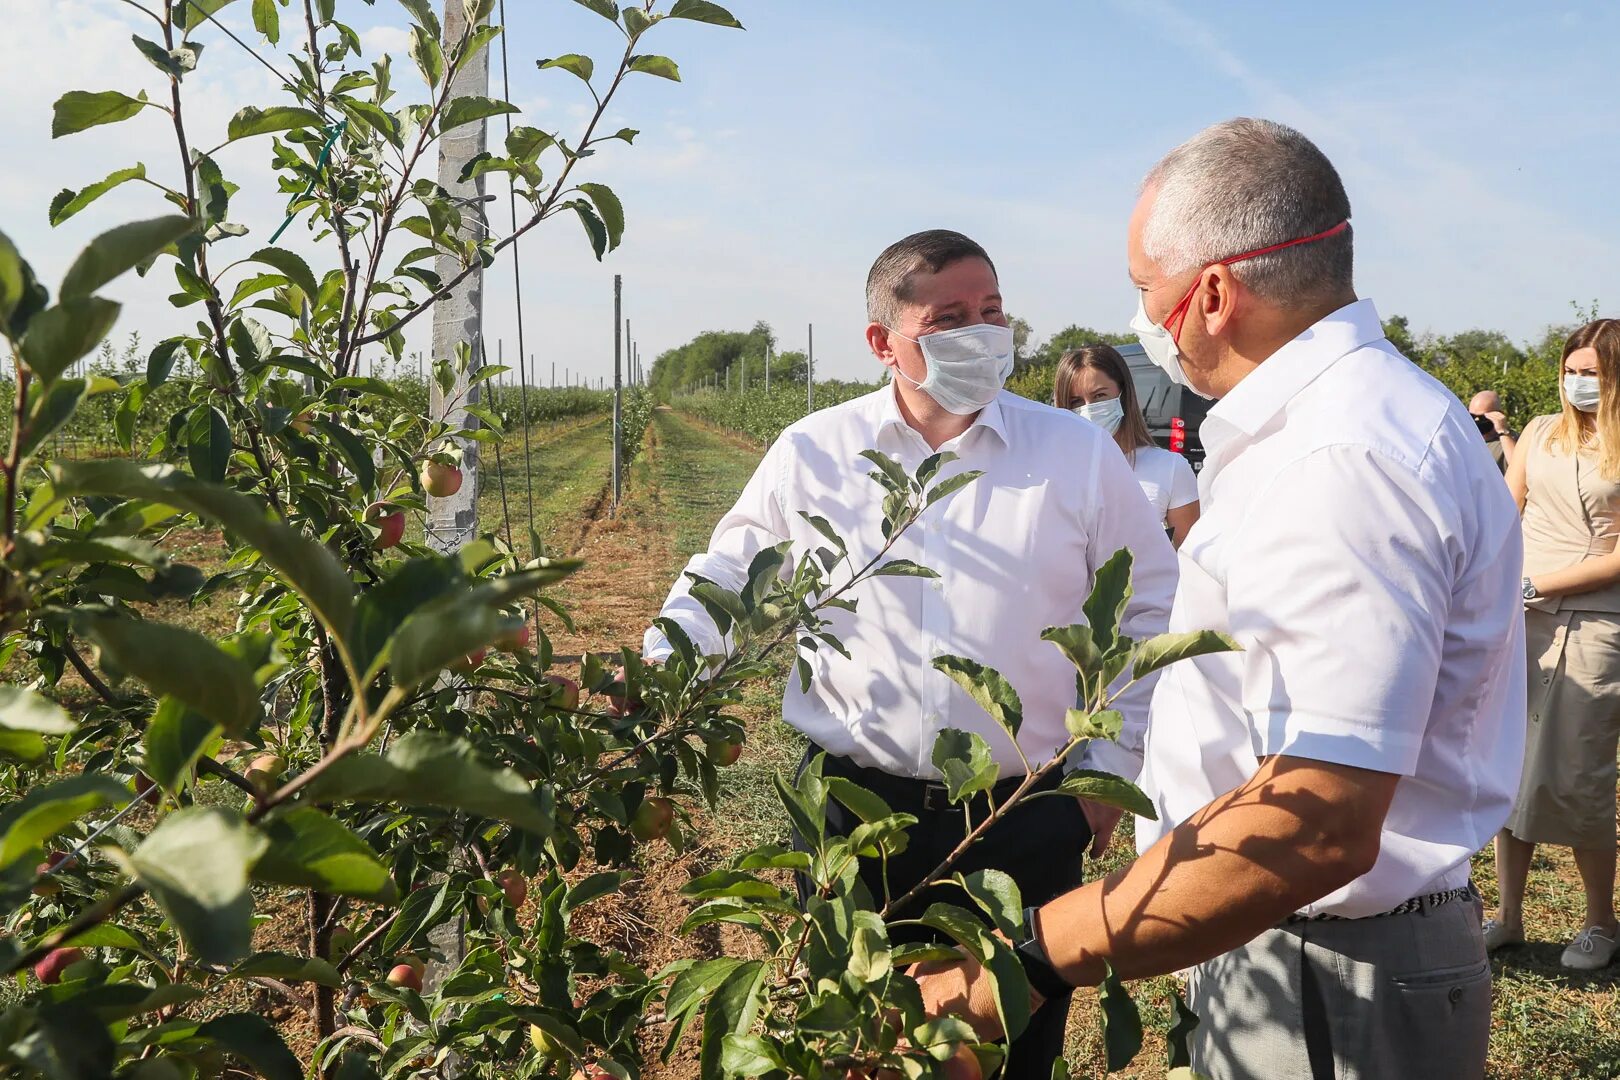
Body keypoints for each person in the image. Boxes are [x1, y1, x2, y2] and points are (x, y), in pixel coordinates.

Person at [914, 119, 1525, 1080]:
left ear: (1210, 293)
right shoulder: (1334, 426)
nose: (1144, 321)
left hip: (1330, 972)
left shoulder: (1340, 459)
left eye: (1143, 291)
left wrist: (1020, 963)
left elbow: (1314, 819)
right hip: (1292, 949)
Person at [641, 229, 1178, 1079]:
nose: (982, 333)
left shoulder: (1073, 456)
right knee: (850, 1043)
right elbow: (726, 581)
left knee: (1007, 1044)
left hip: (1020, 815)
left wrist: (1106, 771)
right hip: (853, 813)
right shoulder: (814, 453)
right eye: (950, 317)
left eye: (993, 310)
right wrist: (654, 683)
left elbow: (1154, 606)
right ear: (883, 341)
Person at [1489, 319, 1620, 971]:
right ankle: (1508, 915)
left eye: (1591, 372)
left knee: (1579, 774)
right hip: (1522, 616)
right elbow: (1503, 509)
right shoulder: (1540, 432)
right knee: (1510, 767)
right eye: (1571, 369)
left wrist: (1538, 584)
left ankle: (1600, 921)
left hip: (1595, 621)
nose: (1577, 382)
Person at [1054, 344, 1201, 546]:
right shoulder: (1053, 471)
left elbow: (1188, 558)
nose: (1088, 409)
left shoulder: (1169, 468)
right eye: (1076, 402)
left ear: (1123, 395)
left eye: (1099, 396)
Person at [1470, 388, 1519, 473]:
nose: (1477, 420)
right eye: (1472, 416)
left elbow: (1519, 469)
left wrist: (1503, 431)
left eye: (1482, 417)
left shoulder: (1511, 441)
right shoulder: (1467, 439)